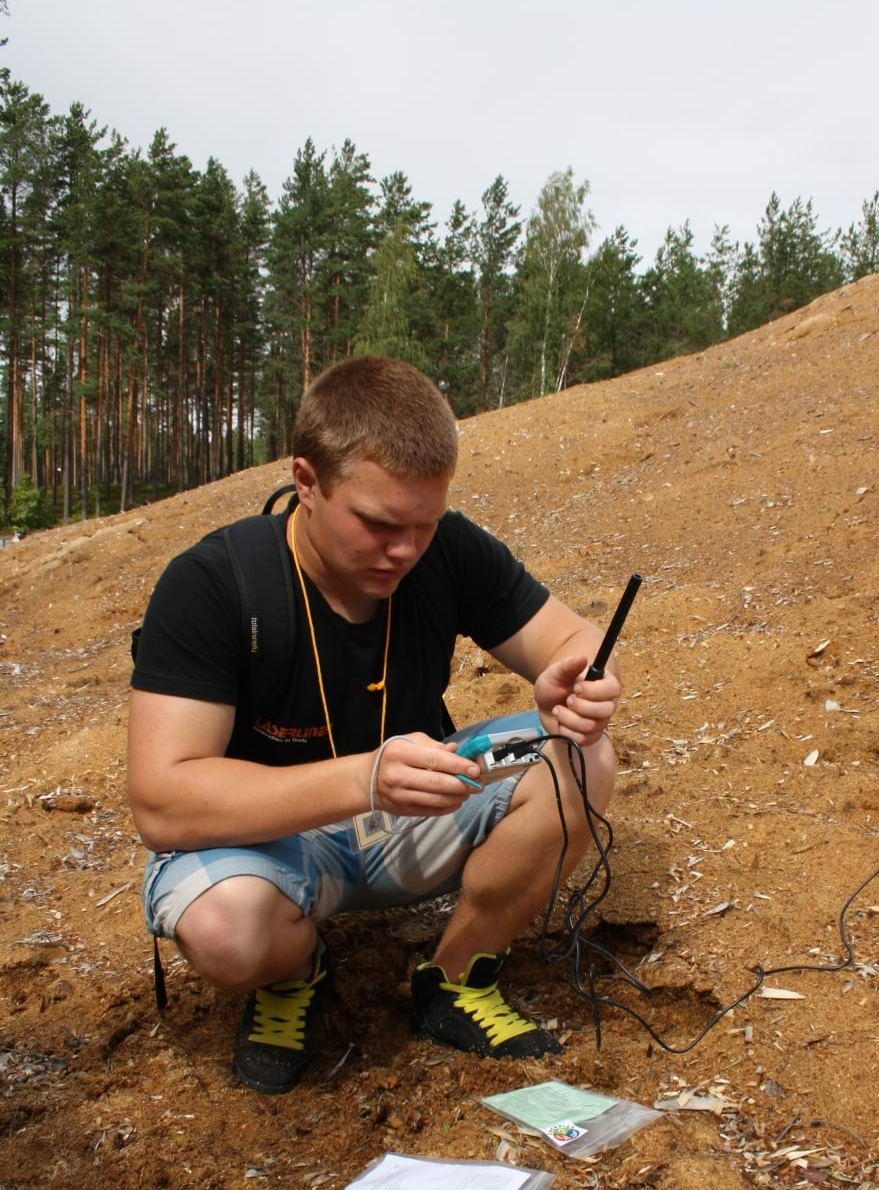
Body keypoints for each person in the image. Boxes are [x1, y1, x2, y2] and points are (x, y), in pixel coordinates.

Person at [128, 357, 620, 1095]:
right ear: (306, 481)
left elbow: (573, 639)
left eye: (425, 524)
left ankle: (453, 978)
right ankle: (294, 973)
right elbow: (161, 799)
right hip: (264, 843)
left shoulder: (442, 549)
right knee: (228, 929)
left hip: (412, 810)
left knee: (584, 757)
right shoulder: (214, 585)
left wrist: (578, 679)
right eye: (381, 524)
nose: (407, 551)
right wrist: (363, 777)